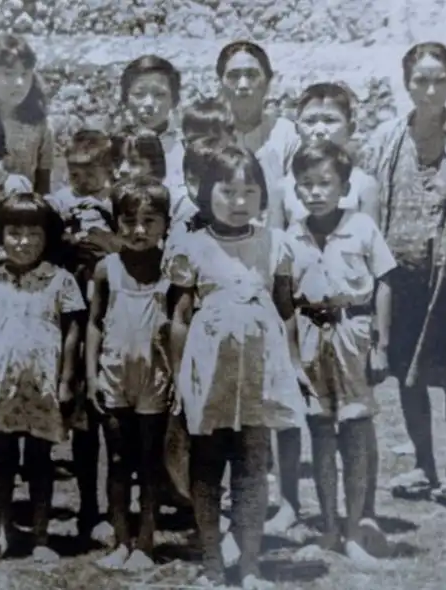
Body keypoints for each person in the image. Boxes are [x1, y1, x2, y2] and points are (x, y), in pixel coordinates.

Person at [362, 41, 446, 507]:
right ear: (407, 83)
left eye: (440, 79)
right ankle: (424, 463)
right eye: (421, 79)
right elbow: (373, 200)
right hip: (401, 276)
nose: (430, 88)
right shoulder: (386, 137)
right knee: (409, 375)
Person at [165, 144, 307, 590]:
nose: (239, 200)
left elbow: (285, 312)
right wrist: (177, 377)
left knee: (251, 465)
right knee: (206, 466)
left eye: (249, 191)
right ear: (207, 193)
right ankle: (211, 562)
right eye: (228, 190)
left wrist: (296, 366)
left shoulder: (273, 243)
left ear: (263, 196)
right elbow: (179, 319)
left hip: (260, 375)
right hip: (209, 377)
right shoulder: (192, 247)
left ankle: (249, 564)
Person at [288, 143, 394, 563]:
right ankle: (329, 527)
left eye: (325, 183)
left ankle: (354, 529)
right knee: (319, 431)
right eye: (307, 184)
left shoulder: (363, 227)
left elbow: (385, 283)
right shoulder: (291, 234)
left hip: (353, 333)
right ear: (296, 189)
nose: (316, 192)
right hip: (310, 334)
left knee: (353, 429)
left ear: (344, 187)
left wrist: (381, 346)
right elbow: (284, 296)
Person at [0, 193, 84, 563]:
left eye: (32, 233)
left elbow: (72, 333)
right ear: (0, 237)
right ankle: (3, 529)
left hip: (43, 384)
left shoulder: (60, 281)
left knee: (39, 460)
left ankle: (40, 535)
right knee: (0, 459)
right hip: (2, 383)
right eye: (13, 232)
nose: (22, 241)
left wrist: (67, 381)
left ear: (47, 236)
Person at [86, 178, 173, 572]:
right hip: (115, 375)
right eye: (129, 221)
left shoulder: (172, 269)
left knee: (151, 461)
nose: (139, 230)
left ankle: (147, 541)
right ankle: (121, 541)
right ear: (116, 222)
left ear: (165, 224)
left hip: (155, 377)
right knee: (118, 459)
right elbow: (94, 324)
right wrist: (90, 376)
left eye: (149, 221)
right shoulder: (107, 269)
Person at [46, 128, 117, 540]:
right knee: (82, 419)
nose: (82, 180)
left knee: (112, 416)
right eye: (75, 171)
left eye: (90, 172)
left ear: (108, 169)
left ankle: (114, 504)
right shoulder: (58, 203)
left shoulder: (117, 202)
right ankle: (87, 506)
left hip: (111, 312)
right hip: (73, 312)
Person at [215, 41, 303, 231]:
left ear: (268, 83)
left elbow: (299, 204)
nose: (243, 85)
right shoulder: (209, 134)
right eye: (233, 76)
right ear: (220, 84)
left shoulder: (287, 135)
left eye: (252, 75)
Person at [288, 82, 381, 227]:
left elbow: (371, 242)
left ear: (350, 129)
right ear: (297, 128)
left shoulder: (363, 185)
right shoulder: (285, 186)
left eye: (330, 120)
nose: (319, 130)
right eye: (310, 121)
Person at [0, 34, 54, 194]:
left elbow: (43, 185)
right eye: (8, 74)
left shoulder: (39, 126)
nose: (19, 83)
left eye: (25, 74)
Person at [119, 55, 186, 210]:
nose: (149, 104)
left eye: (159, 95)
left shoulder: (187, 149)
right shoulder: (112, 148)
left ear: (174, 99)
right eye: (139, 94)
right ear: (125, 98)